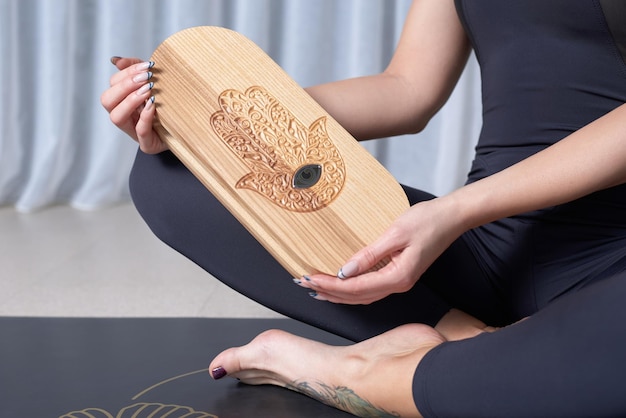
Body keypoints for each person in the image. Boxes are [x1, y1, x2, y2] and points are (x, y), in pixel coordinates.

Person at [101, 0, 626, 416]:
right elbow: (407, 90)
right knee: (170, 173)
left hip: (608, 265)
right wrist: (219, 127)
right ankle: (471, 338)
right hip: (482, 250)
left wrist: (456, 211)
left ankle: (348, 372)